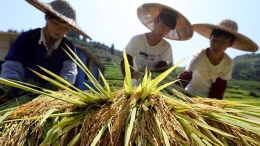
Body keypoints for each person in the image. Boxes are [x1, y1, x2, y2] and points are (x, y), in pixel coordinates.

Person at [0, 0, 91, 101]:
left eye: (65, 28)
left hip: (52, 97)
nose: (60, 30)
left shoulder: (68, 47)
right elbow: (13, 65)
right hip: (24, 92)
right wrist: (12, 86)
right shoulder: (26, 39)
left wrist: (53, 87)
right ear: (47, 17)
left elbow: (70, 72)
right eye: (56, 23)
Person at [176, 19, 259, 100]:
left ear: (230, 43)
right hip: (189, 93)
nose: (217, 45)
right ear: (210, 38)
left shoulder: (228, 63)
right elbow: (186, 76)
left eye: (223, 42)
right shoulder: (199, 55)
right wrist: (175, 93)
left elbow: (220, 87)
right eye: (214, 40)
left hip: (208, 99)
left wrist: (214, 103)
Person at [120, 3, 193, 85]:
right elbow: (125, 61)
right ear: (155, 21)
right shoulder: (137, 40)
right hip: (133, 85)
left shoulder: (166, 47)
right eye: (162, 27)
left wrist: (151, 80)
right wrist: (132, 74)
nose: (164, 32)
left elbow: (161, 70)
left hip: (152, 87)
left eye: (168, 30)